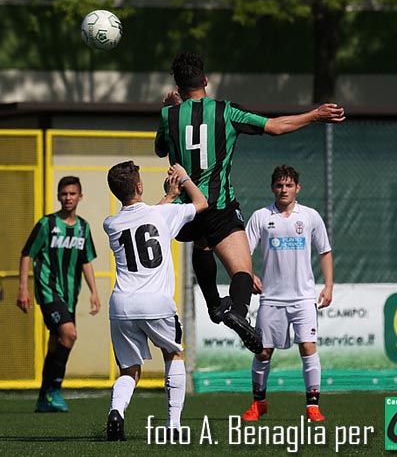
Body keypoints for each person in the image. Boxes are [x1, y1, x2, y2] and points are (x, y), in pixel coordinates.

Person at [154, 52, 345, 354]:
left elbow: (160, 148)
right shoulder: (226, 111)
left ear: (177, 85)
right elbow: (275, 127)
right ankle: (238, 313)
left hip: (186, 208)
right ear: (205, 80)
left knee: (201, 243)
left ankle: (215, 306)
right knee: (242, 271)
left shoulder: (168, 115)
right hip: (219, 205)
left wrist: (170, 110)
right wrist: (315, 115)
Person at [103, 161, 207, 441]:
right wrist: (183, 178)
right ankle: (173, 425)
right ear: (139, 186)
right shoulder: (162, 215)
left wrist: (169, 198)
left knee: (129, 370)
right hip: (157, 303)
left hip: (122, 305)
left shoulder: (110, 223)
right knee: (173, 355)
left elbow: (145, 217)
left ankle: (117, 411)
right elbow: (201, 203)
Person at [241, 165, 333, 422]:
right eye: (279, 185)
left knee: (307, 347)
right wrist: (249, 276)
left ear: (297, 188)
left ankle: (312, 406)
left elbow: (325, 251)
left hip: (303, 297)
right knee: (262, 352)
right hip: (271, 298)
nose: (284, 190)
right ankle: (259, 403)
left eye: (289, 185)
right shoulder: (261, 217)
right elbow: (242, 252)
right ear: (273, 188)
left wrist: (328, 286)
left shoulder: (310, 216)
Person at [17, 176, 101, 413]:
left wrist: (94, 292)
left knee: (56, 343)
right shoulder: (47, 224)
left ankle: (45, 396)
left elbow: (86, 261)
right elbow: (27, 254)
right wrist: (23, 288)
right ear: (58, 196)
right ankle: (54, 388)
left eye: (72, 194)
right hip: (48, 290)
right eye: (64, 194)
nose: (68, 198)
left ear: (80, 197)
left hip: (69, 295)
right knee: (69, 334)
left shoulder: (83, 228)